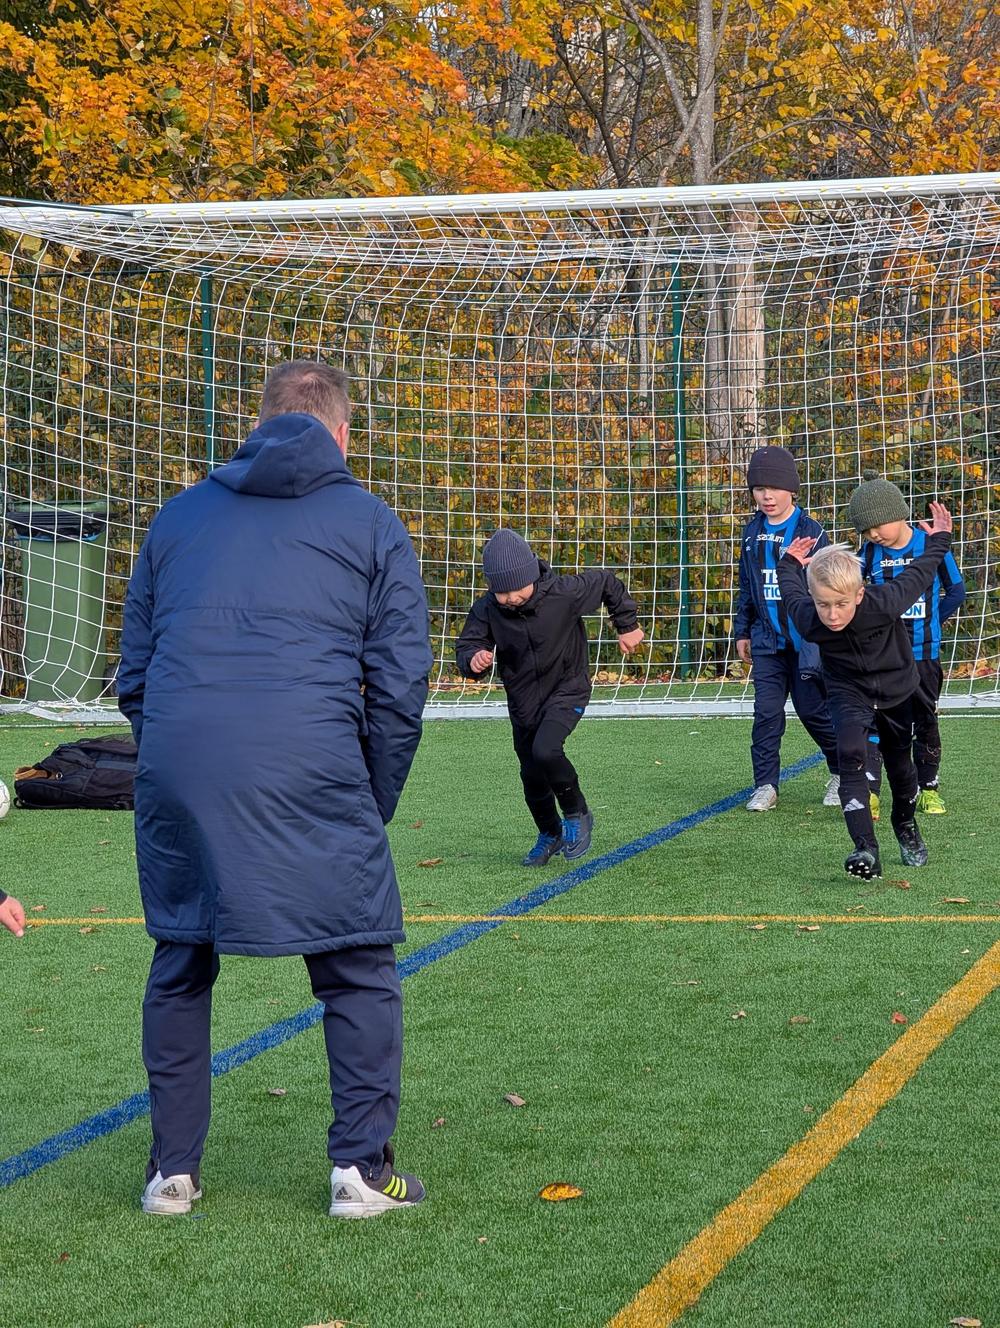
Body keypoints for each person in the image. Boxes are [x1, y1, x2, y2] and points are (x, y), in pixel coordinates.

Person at [118, 359, 432, 1220]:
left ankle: (171, 1174)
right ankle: (360, 1172)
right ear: (342, 434)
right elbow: (400, 682)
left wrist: (180, 761)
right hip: (315, 764)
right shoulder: (373, 523)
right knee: (358, 962)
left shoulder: (177, 517)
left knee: (182, 957)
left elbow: (135, 674)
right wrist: (371, 796)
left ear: (255, 425)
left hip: (182, 765)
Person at [776, 502, 953, 880]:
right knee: (851, 755)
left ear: (858, 595)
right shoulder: (809, 619)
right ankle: (865, 849)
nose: (832, 614)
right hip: (847, 691)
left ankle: (904, 824)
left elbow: (921, 572)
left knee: (900, 767)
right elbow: (790, 590)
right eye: (823, 605)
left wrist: (940, 539)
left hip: (896, 690)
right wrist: (789, 562)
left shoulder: (884, 603)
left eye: (841, 604)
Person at [455, 529, 643, 865]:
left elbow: (606, 582)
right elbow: (469, 644)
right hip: (523, 700)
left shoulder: (563, 593)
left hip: (567, 688)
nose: (510, 597)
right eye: (501, 591)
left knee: (546, 750)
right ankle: (549, 832)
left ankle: (577, 813)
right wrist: (474, 659)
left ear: (531, 575)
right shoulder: (487, 609)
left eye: (516, 588)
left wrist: (627, 624)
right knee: (531, 771)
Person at [849, 472, 966, 815]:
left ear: (897, 513)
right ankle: (870, 792)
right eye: (866, 530)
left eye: (877, 525)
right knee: (875, 721)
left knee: (924, 721)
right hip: (882, 658)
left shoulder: (930, 545)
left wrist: (934, 620)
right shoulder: (869, 553)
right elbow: (853, 594)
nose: (873, 534)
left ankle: (928, 789)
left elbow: (956, 590)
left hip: (923, 654)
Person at [733, 446, 840, 812]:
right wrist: (742, 631)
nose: (767, 496)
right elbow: (747, 586)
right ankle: (765, 785)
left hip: (807, 642)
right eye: (759, 488)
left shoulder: (811, 531)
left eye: (774, 488)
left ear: (791, 489)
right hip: (766, 641)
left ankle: (841, 771)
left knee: (813, 711)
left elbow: (829, 585)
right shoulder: (752, 533)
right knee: (766, 713)